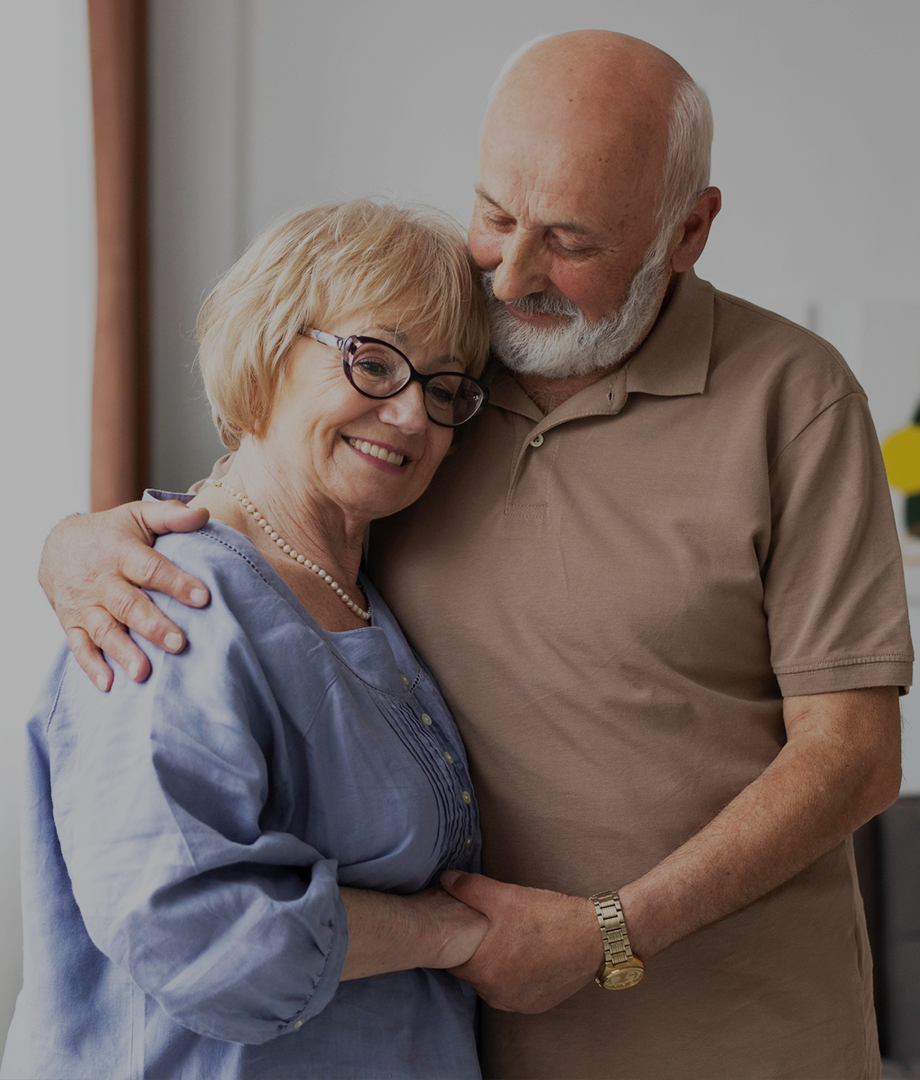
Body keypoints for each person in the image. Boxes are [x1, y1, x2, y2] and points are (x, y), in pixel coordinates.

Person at [36, 30, 911, 1080]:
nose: (515, 273)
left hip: (734, 1036)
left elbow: (855, 754)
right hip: (471, 1041)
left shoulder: (794, 399)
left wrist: (608, 931)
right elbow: (278, 479)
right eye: (495, 215)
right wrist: (78, 541)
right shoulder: (441, 358)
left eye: (572, 241)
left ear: (687, 230)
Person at [2, 200, 499, 1080]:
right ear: (268, 348)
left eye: (443, 388)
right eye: (373, 362)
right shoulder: (170, 601)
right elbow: (197, 934)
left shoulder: (365, 589)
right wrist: (452, 934)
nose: (412, 416)